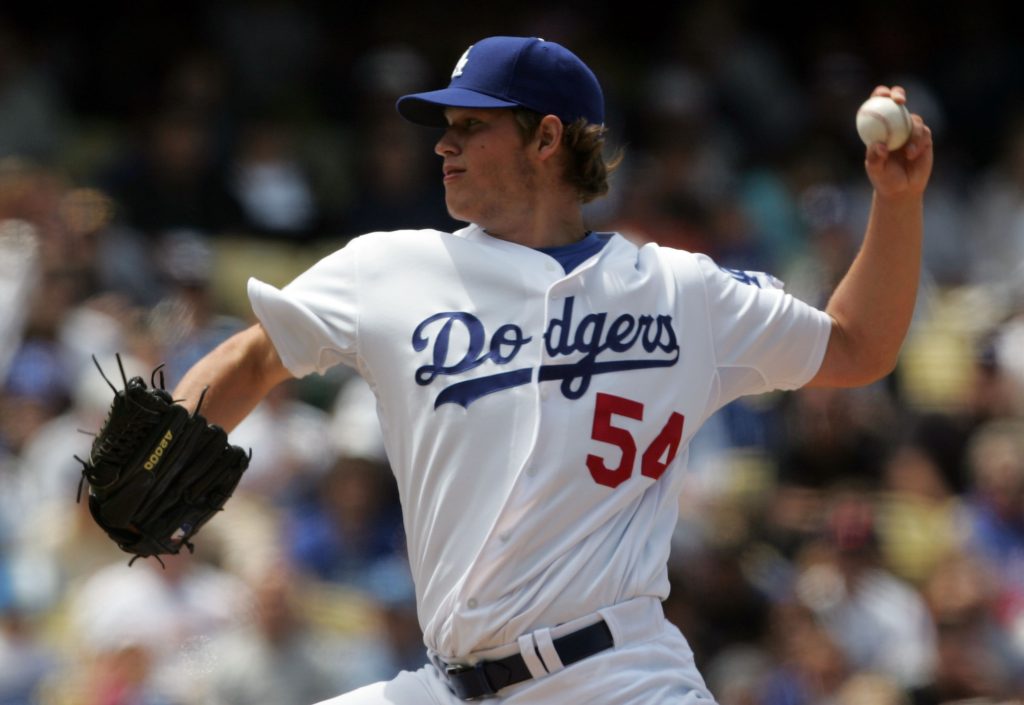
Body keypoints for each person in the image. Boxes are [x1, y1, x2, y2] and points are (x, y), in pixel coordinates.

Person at [169, 36, 933, 704]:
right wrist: (164, 451)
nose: (443, 144)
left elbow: (857, 347)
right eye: (446, 127)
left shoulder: (679, 290)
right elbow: (257, 355)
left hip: (618, 676)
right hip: (445, 682)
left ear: (547, 139)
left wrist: (896, 202)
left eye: (471, 125)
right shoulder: (391, 268)